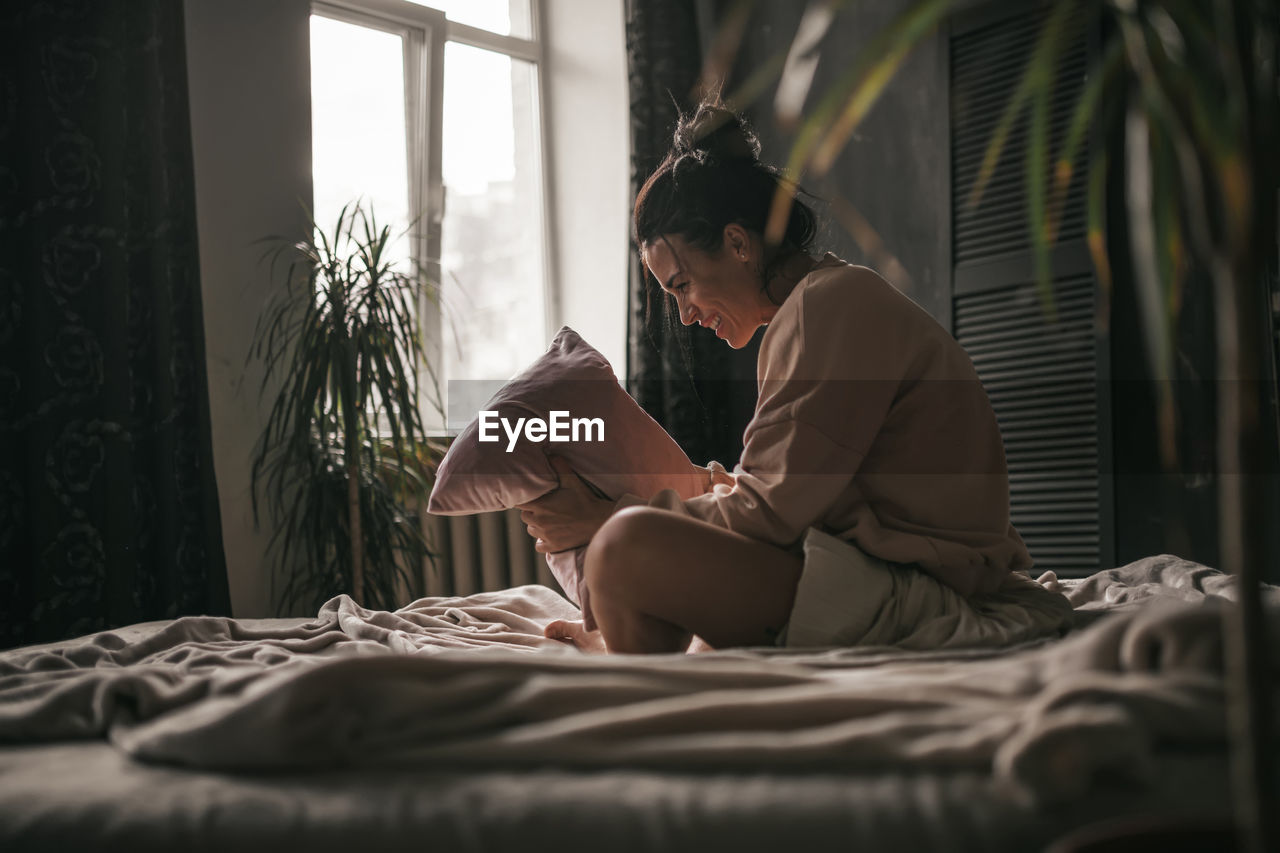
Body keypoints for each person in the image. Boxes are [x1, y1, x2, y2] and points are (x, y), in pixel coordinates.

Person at [518, 101, 1071, 654]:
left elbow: (769, 513)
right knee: (635, 543)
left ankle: (631, 657)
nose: (684, 314)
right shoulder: (825, 302)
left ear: (737, 244)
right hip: (891, 572)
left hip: (922, 590)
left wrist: (605, 518)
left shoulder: (826, 308)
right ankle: (626, 642)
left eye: (682, 284)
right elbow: (783, 490)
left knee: (621, 545)